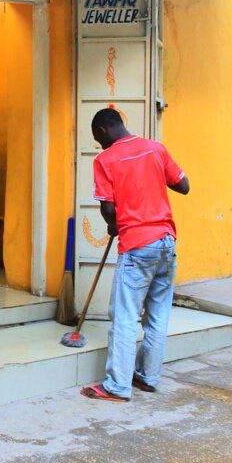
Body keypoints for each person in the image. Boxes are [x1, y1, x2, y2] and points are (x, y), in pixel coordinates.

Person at [80, 108, 190, 402]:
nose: (99, 145)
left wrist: (113, 225)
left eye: (97, 138)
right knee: (158, 314)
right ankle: (148, 376)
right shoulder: (156, 149)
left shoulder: (105, 159)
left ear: (103, 131)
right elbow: (184, 185)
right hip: (166, 242)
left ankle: (117, 386)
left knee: (125, 317)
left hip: (138, 245)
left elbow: (107, 207)